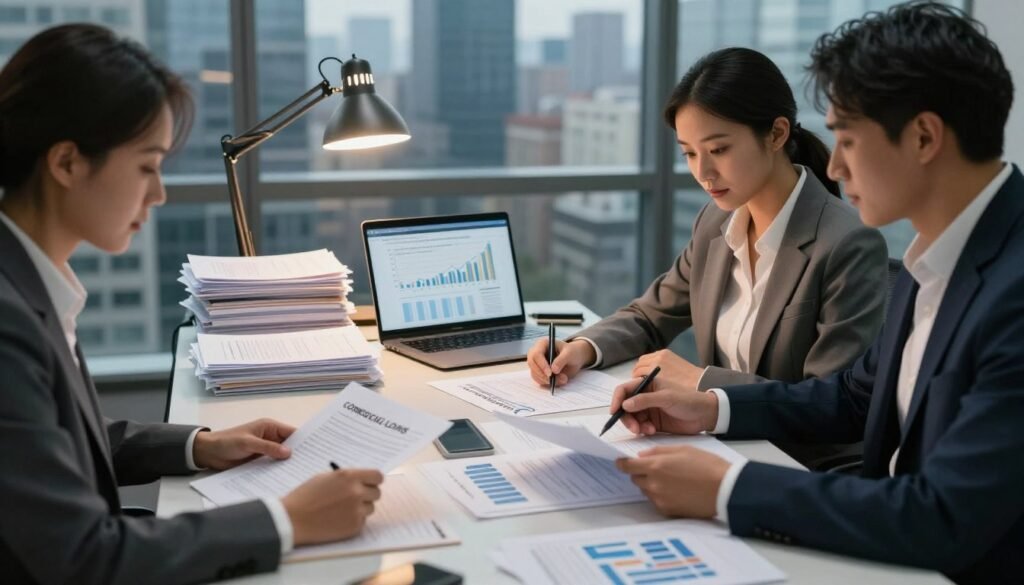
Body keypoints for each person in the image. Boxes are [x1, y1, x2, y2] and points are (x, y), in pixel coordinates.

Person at [610, 3, 1023, 583]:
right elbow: (852, 398)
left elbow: (943, 517)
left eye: (848, 141)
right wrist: (710, 407)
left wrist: (728, 488)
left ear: (924, 136)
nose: (836, 166)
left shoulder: (1013, 291)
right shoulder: (938, 258)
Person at [0, 24, 383, 584]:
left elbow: (48, 441)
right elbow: (84, 557)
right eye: (147, 165)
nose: (158, 194)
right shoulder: (7, 320)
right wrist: (287, 519)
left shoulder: (28, 280)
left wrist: (200, 445)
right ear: (66, 163)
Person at [528, 47, 887, 465]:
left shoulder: (846, 243)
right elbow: (651, 315)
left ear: (776, 134)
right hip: (720, 447)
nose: (703, 172)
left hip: (801, 465)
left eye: (718, 150)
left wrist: (700, 383)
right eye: (690, 153)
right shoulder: (716, 223)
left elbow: (830, 402)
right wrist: (583, 348)